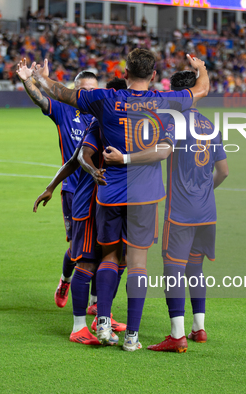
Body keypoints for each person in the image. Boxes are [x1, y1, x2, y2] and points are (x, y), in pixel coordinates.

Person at [31, 49, 210, 351]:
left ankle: (101, 321)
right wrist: (200, 66)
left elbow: (61, 93)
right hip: (145, 195)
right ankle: (132, 338)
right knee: (137, 264)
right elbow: (202, 89)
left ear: (125, 72)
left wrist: (36, 76)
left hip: (109, 192)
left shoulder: (103, 100)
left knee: (109, 257)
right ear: (154, 76)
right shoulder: (165, 103)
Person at [103, 71, 229, 352]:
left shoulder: (171, 123)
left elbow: (156, 152)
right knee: (195, 268)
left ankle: (177, 335)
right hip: (208, 210)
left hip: (180, 212)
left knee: (173, 270)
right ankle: (200, 327)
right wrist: (206, 191)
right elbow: (224, 171)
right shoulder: (210, 126)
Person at [32, 78, 129, 346]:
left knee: (116, 260)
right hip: (88, 204)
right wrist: (54, 186)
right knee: (86, 263)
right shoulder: (99, 123)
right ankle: (78, 327)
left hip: (113, 205)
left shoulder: (124, 124)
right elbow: (81, 157)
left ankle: (102, 318)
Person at [15, 59, 97, 309]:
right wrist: (29, 80)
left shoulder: (104, 113)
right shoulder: (64, 111)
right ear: (75, 91)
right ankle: (65, 280)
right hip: (73, 189)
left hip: (100, 189)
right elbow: (41, 99)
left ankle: (96, 303)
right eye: (84, 90)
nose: (89, 94)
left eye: (94, 90)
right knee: (76, 248)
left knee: (101, 247)